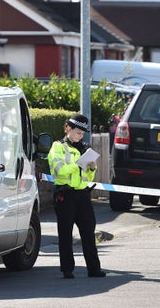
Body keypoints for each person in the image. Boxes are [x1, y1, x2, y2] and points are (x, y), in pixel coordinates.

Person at [47, 113, 106, 279]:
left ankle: (94, 269)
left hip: (82, 194)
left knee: (88, 232)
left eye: (82, 134)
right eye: (77, 133)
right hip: (64, 194)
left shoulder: (84, 148)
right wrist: (79, 164)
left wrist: (92, 168)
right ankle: (67, 270)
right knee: (65, 234)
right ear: (68, 128)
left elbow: (88, 178)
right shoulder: (58, 147)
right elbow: (60, 170)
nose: (80, 136)